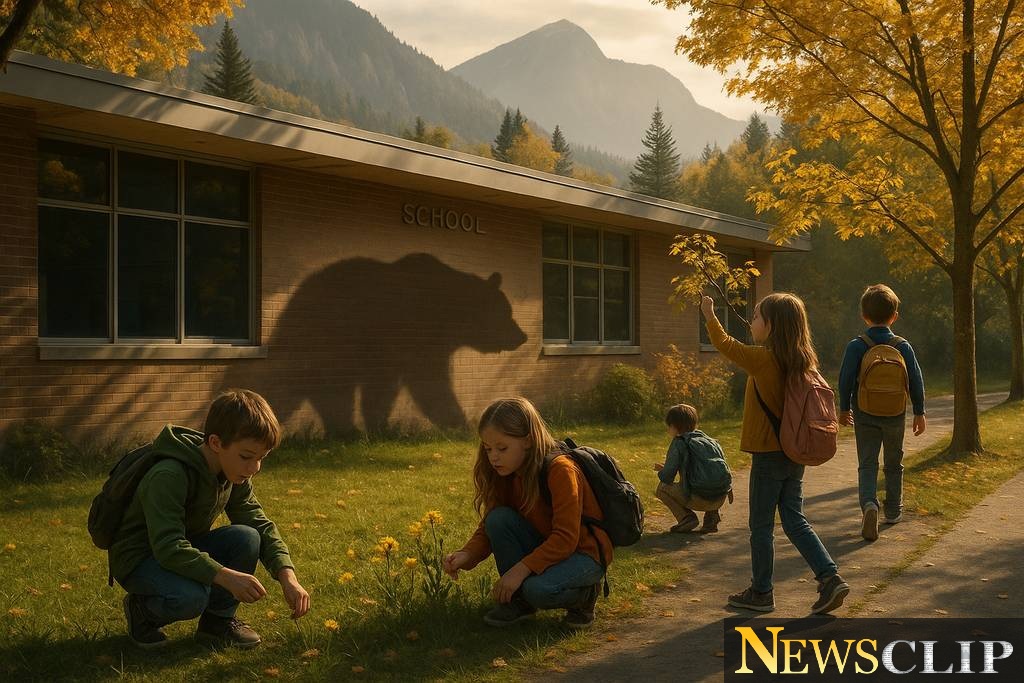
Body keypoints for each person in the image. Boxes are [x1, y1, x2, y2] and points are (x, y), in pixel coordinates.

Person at [109, 389, 310, 649]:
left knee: (247, 537)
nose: (253, 468)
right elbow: (168, 547)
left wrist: (287, 577)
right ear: (216, 443)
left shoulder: (232, 471)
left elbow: (258, 523)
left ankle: (217, 624)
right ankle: (142, 611)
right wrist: (226, 577)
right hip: (140, 558)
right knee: (191, 597)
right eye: (247, 457)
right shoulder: (168, 475)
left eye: (261, 458)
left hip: (181, 548)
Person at [701, 293, 849, 614]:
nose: (752, 322)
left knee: (761, 526)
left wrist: (709, 313)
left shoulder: (764, 359)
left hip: (768, 455)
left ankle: (761, 591)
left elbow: (726, 345)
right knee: (795, 519)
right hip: (794, 453)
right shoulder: (802, 361)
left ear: (772, 326)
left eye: (756, 317)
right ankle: (829, 577)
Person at [442, 397, 611, 628]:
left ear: (528, 441)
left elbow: (566, 539)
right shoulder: (505, 471)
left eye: (502, 448)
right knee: (498, 519)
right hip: (546, 546)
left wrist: (519, 571)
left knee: (537, 590)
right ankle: (519, 602)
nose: (493, 457)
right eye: (488, 448)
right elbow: (491, 524)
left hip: (583, 553)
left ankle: (584, 595)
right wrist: (466, 555)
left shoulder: (560, 470)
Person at [838, 284, 926, 541]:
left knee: (867, 462)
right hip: (895, 413)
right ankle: (894, 509)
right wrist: (919, 412)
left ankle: (869, 505)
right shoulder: (902, 345)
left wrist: (844, 409)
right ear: (894, 316)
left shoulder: (857, 345)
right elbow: (916, 380)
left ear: (864, 315)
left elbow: (845, 379)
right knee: (893, 463)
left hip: (864, 412)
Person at [654, 403, 731, 533]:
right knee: (710, 478)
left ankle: (686, 518)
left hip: (697, 498)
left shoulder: (679, 442)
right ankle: (711, 517)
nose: (668, 430)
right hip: (720, 497)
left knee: (662, 488)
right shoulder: (711, 441)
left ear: (674, 426)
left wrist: (663, 470)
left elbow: (667, 477)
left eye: (669, 426)